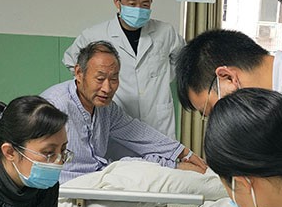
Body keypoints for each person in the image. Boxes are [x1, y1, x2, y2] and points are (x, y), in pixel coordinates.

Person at [62, 0, 185, 160]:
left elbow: (182, 59)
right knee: (120, 171)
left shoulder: (165, 32)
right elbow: (71, 60)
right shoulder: (95, 34)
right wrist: (99, 87)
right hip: (118, 122)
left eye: (145, 5)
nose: (139, 9)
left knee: (161, 172)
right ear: (117, 2)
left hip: (157, 122)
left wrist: (161, 78)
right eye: (132, 4)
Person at [45, 40, 205, 183]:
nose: (107, 88)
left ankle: (186, 172)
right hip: (70, 186)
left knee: (143, 165)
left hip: (99, 178)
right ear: (79, 73)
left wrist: (183, 153)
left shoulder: (106, 109)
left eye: (113, 79)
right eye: (100, 79)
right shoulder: (54, 106)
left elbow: (139, 134)